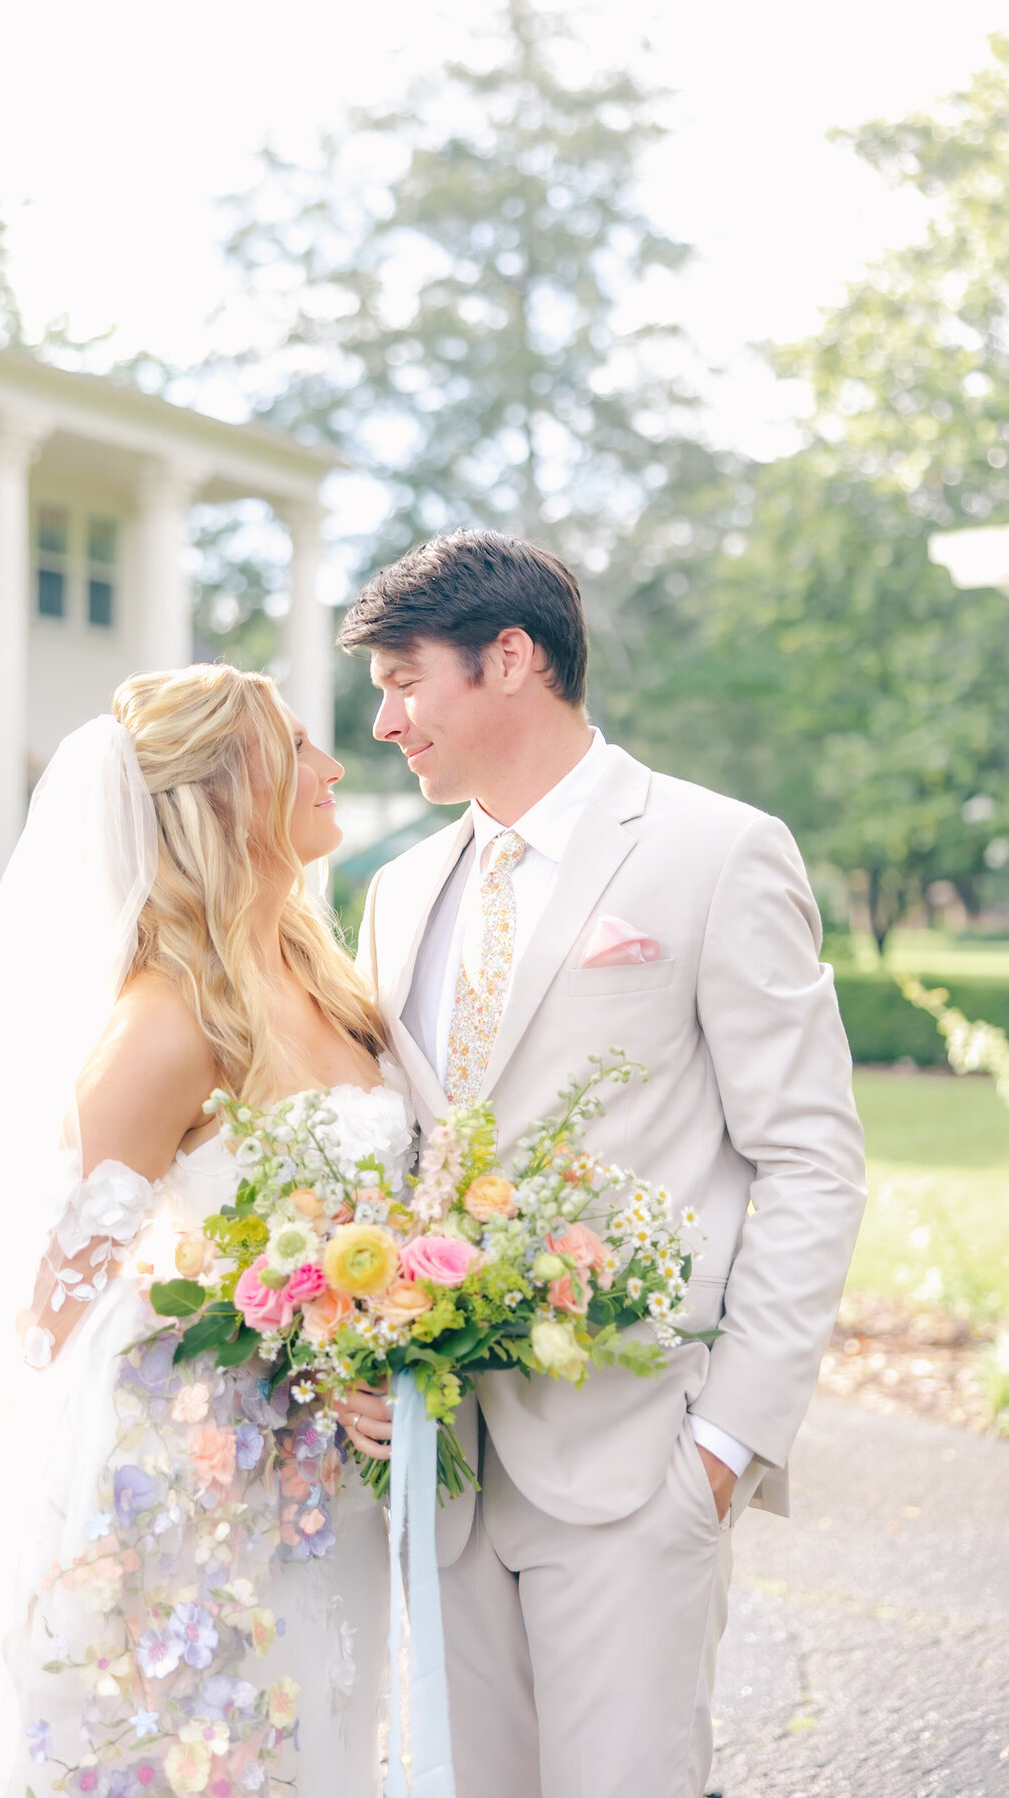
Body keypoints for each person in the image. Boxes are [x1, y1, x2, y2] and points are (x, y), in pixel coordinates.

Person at [0, 664, 410, 1798]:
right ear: (228, 793)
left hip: (323, 1481)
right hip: (190, 1497)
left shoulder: (327, 977)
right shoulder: (165, 1022)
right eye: (299, 747)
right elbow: (45, 1316)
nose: (334, 766)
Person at [343, 530, 867, 1798]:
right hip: (442, 1465)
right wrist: (357, 1364)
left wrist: (727, 1442)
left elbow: (810, 1156)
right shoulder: (399, 890)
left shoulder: (714, 850)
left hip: (640, 1462)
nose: (385, 721)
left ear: (510, 657)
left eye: (406, 679)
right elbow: (383, 1158)